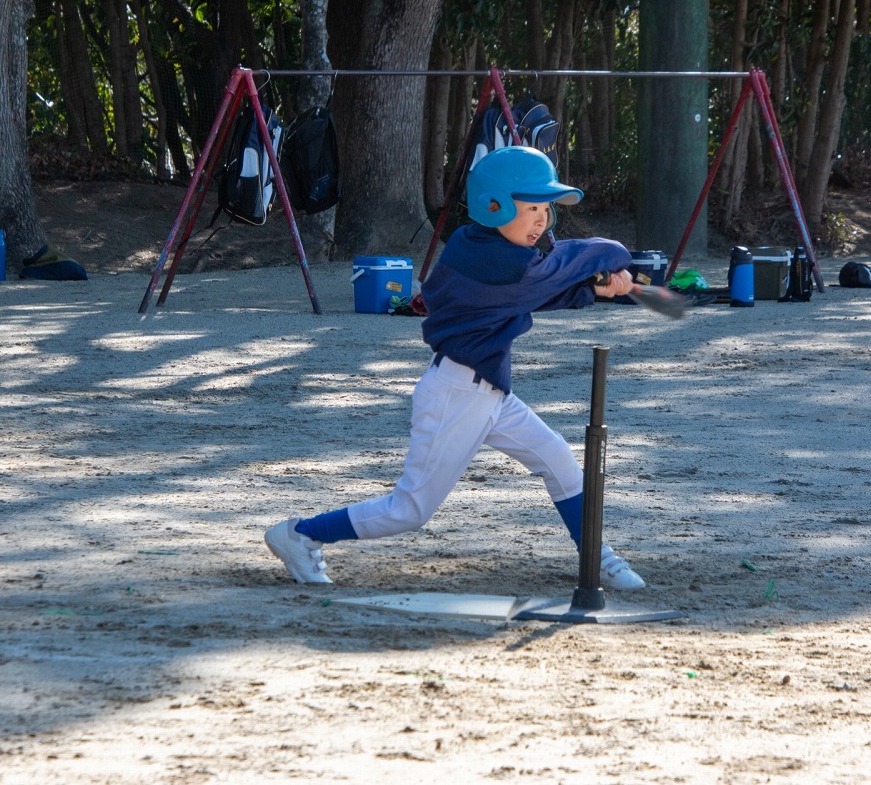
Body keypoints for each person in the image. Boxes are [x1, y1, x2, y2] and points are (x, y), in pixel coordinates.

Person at [265, 146, 645, 590]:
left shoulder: (477, 245)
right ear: (494, 205)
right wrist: (612, 253)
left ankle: (596, 556)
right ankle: (299, 534)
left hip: (487, 393)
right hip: (457, 396)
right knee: (408, 510)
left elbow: (534, 290)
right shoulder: (499, 262)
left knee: (557, 457)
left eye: (545, 209)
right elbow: (555, 270)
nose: (542, 220)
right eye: (531, 207)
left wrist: (593, 291)